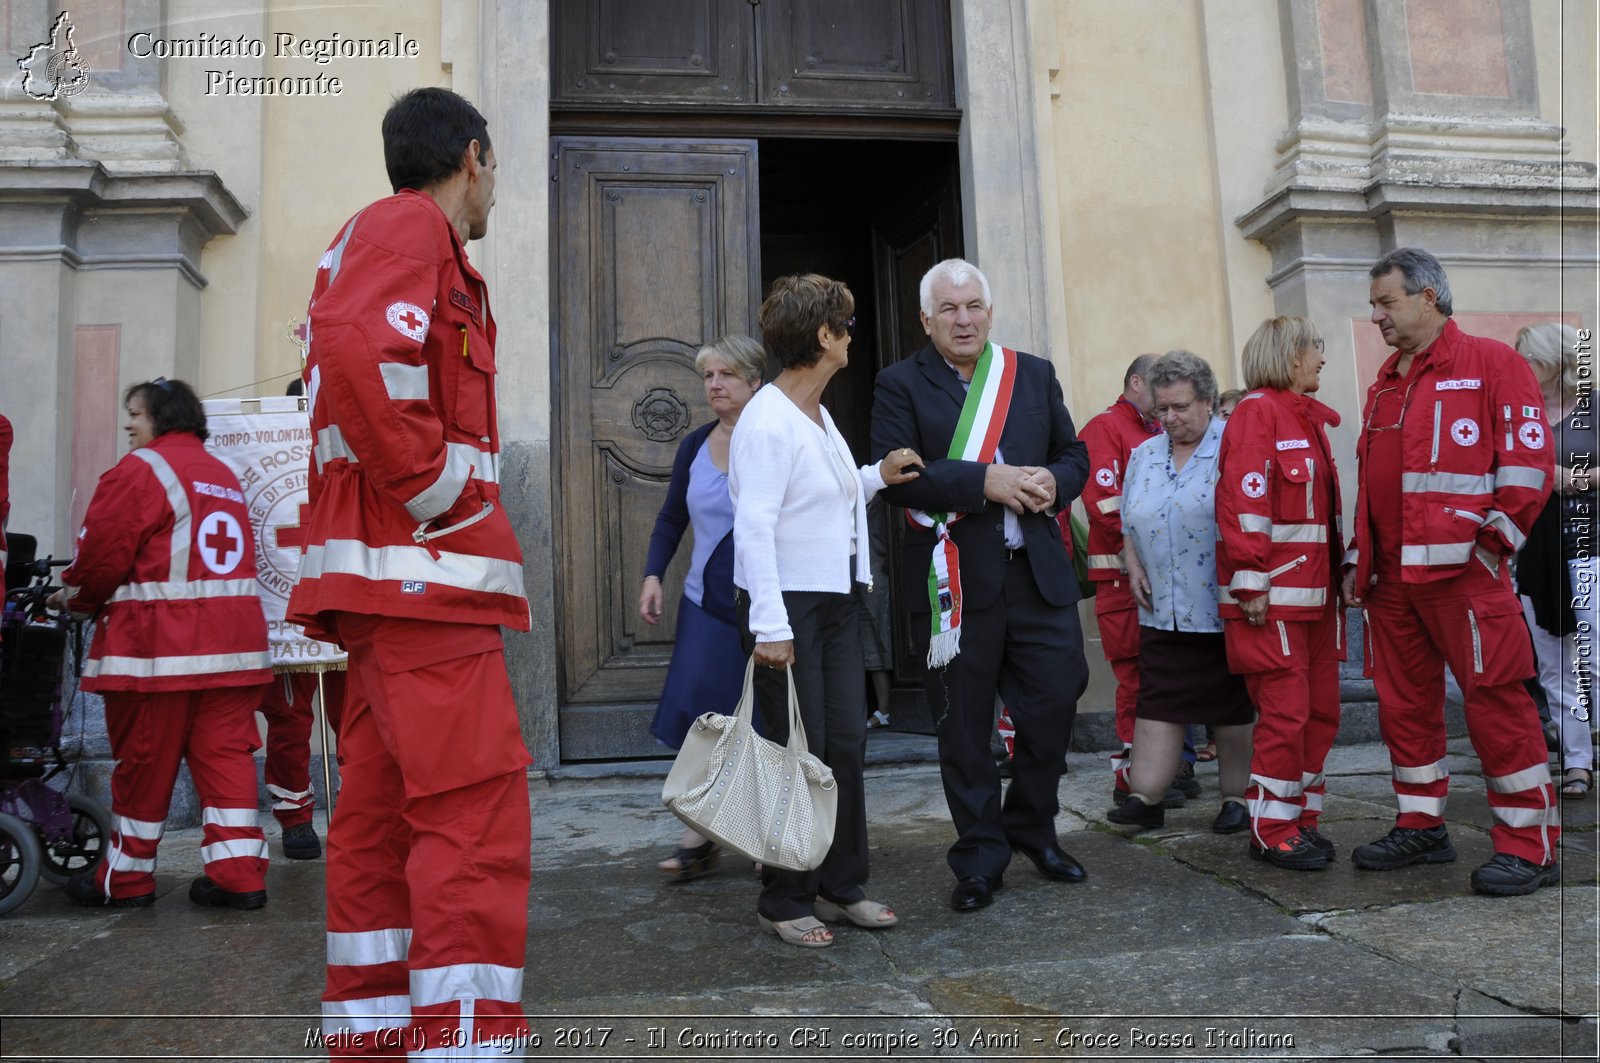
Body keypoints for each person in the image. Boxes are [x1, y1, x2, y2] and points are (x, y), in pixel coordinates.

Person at [287, 88, 534, 1053]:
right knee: (473, 816)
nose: (495, 192)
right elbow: (357, 348)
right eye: (497, 170)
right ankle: (468, 1037)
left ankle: (376, 1029)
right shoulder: (409, 225)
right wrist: (439, 497)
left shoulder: (392, 237)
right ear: (471, 155)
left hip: (393, 590)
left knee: (381, 817)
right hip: (425, 579)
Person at [871, 257, 1091, 914]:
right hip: (956, 585)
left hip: (1036, 577)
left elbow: (1073, 454)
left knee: (1055, 702)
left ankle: (1030, 823)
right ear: (926, 319)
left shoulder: (1032, 374)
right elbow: (896, 477)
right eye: (949, 309)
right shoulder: (898, 383)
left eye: (973, 307)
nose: (963, 319)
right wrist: (984, 481)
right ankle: (980, 854)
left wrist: (1057, 481)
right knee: (963, 729)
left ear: (989, 312)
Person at [1345, 247, 1558, 896]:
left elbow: (1529, 463)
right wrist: (1362, 557)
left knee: (1497, 704)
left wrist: (1494, 543)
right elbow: (1375, 482)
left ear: (1429, 296)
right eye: (1374, 303)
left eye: (1386, 301)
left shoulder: (1493, 364)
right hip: (1394, 583)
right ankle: (1422, 823)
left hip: (1465, 575)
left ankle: (1531, 844)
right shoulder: (1386, 379)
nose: (1376, 314)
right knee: (1405, 708)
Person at [730, 273, 923, 948]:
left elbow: (826, 498)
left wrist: (876, 476)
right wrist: (772, 625)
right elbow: (754, 525)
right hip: (788, 606)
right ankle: (784, 898)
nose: (851, 334)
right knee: (794, 753)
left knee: (844, 742)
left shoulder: (816, 413)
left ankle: (842, 885)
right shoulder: (767, 419)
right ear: (823, 335)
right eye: (845, 323)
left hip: (836, 598)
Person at [52, 379, 272, 909]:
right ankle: (239, 877)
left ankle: (125, 880)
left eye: (136, 414)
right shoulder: (222, 475)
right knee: (226, 764)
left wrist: (74, 598)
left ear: (163, 417)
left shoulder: (141, 470)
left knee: (146, 765)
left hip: (160, 651)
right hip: (236, 651)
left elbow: (102, 556)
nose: (129, 423)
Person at [1215, 317, 1345, 867]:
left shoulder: (1305, 417)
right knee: (1286, 715)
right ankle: (1270, 826)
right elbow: (1244, 499)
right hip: (1272, 601)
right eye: (1316, 348)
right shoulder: (1257, 412)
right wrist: (1250, 580)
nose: (1322, 358)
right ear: (1290, 355)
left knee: (1321, 714)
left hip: (1315, 600)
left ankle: (1302, 819)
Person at [1105, 352, 1254, 833]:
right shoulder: (1145, 455)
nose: (1169, 419)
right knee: (1159, 699)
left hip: (1220, 605)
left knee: (1231, 704)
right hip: (1162, 605)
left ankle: (1238, 797)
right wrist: (1131, 561)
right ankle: (1146, 797)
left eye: (1180, 407)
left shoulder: (1233, 445)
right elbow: (1129, 518)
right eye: (1161, 409)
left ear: (1208, 401)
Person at [640, 334, 765, 880]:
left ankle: (769, 839)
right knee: (702, 719)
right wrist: (652, 575)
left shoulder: (774, 438)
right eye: (708, 376)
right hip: (703, 605)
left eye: (726, 375)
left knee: (764, 720)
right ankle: (702, 833)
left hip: (765, 607)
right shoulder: (694, 444)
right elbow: (672, 518)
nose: (714, 385)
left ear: (754, 381)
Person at [1077, 354, 1190, 804]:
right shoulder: (1105, 428)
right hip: (1123, 581)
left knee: (1162, 678)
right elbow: (1104, 505)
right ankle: (1131, 779)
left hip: (1160, 579)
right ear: (1137, 381)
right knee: (1136, 680)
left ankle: (1165, 770)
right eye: (1161, 384)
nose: (1168, 397)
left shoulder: (1155, 429)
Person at [1513, 323, 1594, 798]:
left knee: (1595, 660)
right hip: (1537, 552)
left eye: (1529, 358)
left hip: (1592, 546)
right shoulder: (1518, 415)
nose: (1521, 367)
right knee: (1554, 666)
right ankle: (1577, 762)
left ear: (1555, 361)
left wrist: (1573, 478)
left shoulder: (1594, 407)